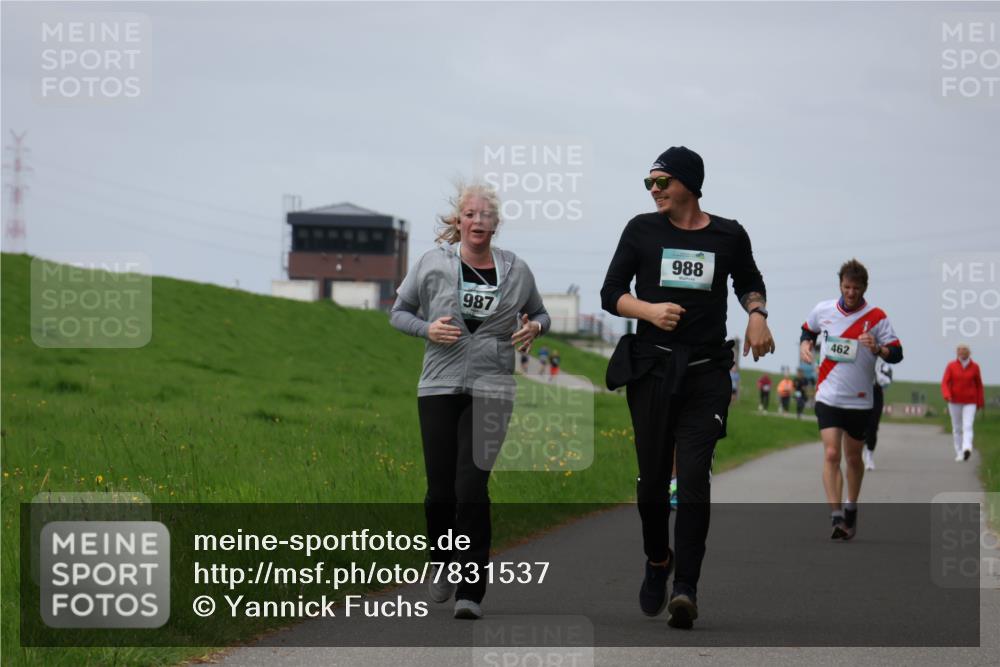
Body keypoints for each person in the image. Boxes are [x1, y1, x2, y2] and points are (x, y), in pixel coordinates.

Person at [601, 146, 774, 629]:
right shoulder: (641, 230)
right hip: (653, 370)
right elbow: (610, 292)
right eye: (649, 184)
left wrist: (757, 314)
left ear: (689, 185)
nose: (654, 191)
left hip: (705, 373)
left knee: (694, 479)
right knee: (652, 486)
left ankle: (686, 589)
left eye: (662, 182)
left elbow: (750, 280)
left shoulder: (728, 234)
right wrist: (649, 311)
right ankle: (659, 560)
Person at [390, 181, 550, 620]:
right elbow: (398, 312)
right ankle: (441, 562)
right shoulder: (431, 264)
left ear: (496, 224)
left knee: (472, 486)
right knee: (439, 492)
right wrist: (428, 330)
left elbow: (540, 313)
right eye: (470, 214)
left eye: (486, 215)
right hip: (438, 386)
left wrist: (534, 328)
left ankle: (471, 589)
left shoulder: (517, 270)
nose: (478, 221)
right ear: (457, 221)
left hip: (493, 388)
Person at [800, 259, 902, 541]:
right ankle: (836, 515)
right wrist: (806, 344)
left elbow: (897, 352)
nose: (851, 293)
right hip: (828, 394)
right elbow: (808, 329)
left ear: (864, 288)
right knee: (832, 453)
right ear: (840, 285)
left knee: (853, 457)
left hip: (859, 399)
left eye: (856, 288)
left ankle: (851, 508)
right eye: (846, 287)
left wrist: (879, 348)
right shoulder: (823, 310)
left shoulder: (877, 316)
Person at [941, 343, 985, 462]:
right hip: (954, 401)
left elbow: (979, 385)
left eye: (964, 351)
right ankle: (959, 452)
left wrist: (980, 401)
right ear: (957, 353)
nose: (961, 353)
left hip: (970, 401)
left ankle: (967, 448)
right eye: (959, 351)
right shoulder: (951, 366)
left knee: (968, 425)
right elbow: (945, 382)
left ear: (969, 353)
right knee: (957, 428)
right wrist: (947, 395)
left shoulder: (975, 367)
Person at [863, 358, 892, 470]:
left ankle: (869, 454)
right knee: (860, 424)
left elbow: (887, 380)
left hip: (876, 393)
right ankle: (861, 449)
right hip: (861, 391)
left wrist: (876, 373)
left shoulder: (882, 363)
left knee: (873, 425)